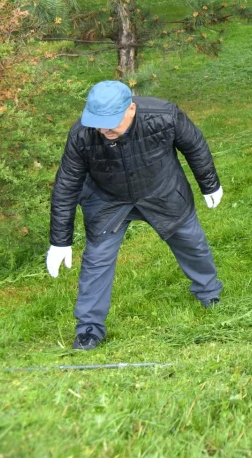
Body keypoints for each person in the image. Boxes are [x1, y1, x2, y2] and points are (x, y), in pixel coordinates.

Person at [45, 81, 225, 350]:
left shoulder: (164, 115)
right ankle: (89, 330)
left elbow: (195, 145)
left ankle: (209, 293)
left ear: (131, 109)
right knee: (96, 261)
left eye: (109, 123)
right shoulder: (82, 134)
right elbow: (67, 184)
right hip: (107, 199)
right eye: (97, 123)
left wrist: (209, 183)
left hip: (162, 191)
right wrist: (60, 240)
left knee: (191, 242)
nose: (102, 130)